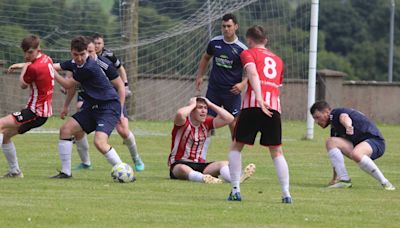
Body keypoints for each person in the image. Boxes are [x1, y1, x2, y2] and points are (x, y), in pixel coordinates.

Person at [227, 25, 292, 203]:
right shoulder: (278, 60)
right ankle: (286, 194)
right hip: (273, 109)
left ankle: (235, 190)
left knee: (236, 146)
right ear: (266, 40)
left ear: (248, 40)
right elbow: (278, 87)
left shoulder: (248, 53)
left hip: (253, 105)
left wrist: (259, 97)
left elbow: (253, 73)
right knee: (277, 151)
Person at [60, 38, 145, 171]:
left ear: (96, 50)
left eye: (89, 52)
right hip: (93, 102)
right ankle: (84, 164)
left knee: (122, 131)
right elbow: (70, 85)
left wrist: (121, 109)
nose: (83, 56)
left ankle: (135, 159)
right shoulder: (78, 63)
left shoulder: (102, 64)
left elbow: (120, 85)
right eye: (82, 53)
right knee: (71, 129)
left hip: (111, 102)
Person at [50, 36, 128, 179]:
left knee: (99, 142)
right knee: (65, 130)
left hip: (109, 107)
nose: (79, 58)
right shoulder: (75, 63)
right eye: (76, 55)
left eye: (82, 54)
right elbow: (51, 64)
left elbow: (67, 85)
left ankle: (124, 171)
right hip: (93, 107)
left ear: (88, 52)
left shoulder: (89, 67)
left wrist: (51, 72)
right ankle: (66, 173)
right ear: (71, 52)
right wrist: (25, 65)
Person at [310, 101, 395, 190]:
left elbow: (344, 117)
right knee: (331, 142)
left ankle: (385, 182)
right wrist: (334, 179)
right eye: (314, 119)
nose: (316, 121)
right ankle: (344, 180)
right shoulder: (334, 129)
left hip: (375, 142)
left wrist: (348, 126)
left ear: (327, 112)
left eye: (317, 117)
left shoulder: (335, 113)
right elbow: (335, 158)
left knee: (356, 153)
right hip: (360, 145)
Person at [1, 34, 54, 178]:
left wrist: (24, 67)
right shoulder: (47, 58)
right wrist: (25, 64)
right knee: (5, 136)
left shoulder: (33, 68)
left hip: (35, 113)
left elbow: (22, 84)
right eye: (25, 52)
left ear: (38, 49)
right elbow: (35, 65)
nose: (26, 55)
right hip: (40, 113)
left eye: (30, 52)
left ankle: (15, 171)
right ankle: (15, 171)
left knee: (0, 124)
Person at [168, 97, 255, 184]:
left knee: (224, 164)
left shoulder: (206, 123)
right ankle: (203, 178)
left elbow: (229, 118)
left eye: (205, 108)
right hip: (179, 163)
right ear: (192, 110)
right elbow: (180, 113)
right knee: (182, 168)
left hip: (200, 165)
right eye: (199, 108)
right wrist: (192, 104)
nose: (204, 111)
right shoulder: (182, 122)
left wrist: (211, 105)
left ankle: (236, 180)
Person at [195, 13, 248, 142]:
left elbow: (249, 70)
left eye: (229, 26)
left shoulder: (242, 49)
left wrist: (242, 84)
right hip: (214, 89)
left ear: (236, 26)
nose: (226, 29)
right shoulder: (214, 42)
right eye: (223, 26)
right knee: (205, 121)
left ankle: (235, 157)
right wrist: (200, 76)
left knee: (233, 122)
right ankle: (201, 155)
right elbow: (206, 57)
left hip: (232, 92)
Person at [92, 33, 132, 98]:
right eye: (94, 43)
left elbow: (120, 68)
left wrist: (125, 85)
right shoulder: (86, 55)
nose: (96, 46)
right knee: (80, 105)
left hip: (109, 85)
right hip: (92, 86)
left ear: (103, 44)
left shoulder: (109, 55)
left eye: (99, 43)